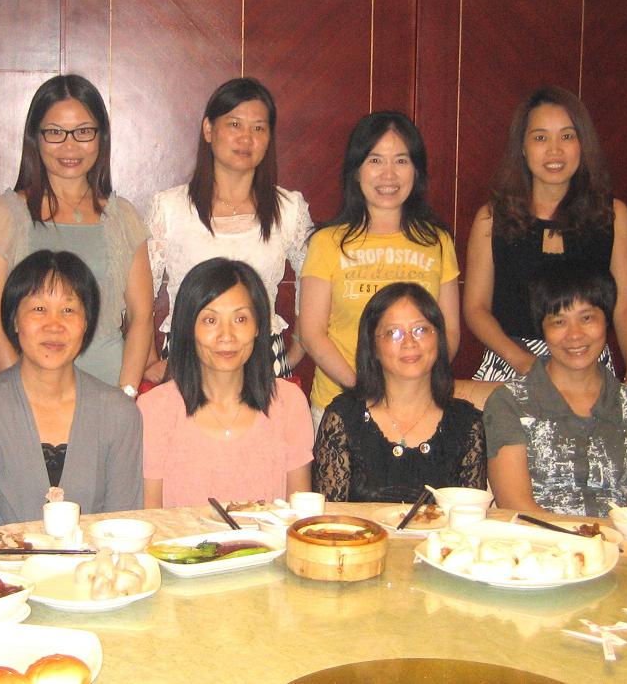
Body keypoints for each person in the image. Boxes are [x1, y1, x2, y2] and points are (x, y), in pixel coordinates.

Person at [464, 86, 627, 400]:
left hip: (585, 361)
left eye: (567, 136)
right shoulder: (491, 219)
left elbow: (626, 305)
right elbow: (476, 309)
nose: (555, 150)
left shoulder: (612, 215)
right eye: (541, 138)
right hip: (511, 362)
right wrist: (526, 364)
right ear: (522, 147)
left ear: (582, 144)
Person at [0, 75, 151, 394]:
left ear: (101, 136)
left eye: (83, 132)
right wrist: (25, 396)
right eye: (55, 132)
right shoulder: (5, 215)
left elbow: (141, 318)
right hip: (31, 391)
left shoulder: (122, 217)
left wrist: (125, 394)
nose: (70, 146)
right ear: (36, 137)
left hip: (108, 387)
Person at [0, 250, 143, 532]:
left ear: (86, 323)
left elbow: (122, 533)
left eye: (68, 310)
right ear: (15, 320)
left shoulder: (119, 413)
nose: (54, 325)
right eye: (39, 309)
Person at [299, 111, 460, 429]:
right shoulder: (327, 242)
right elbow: (312, 333)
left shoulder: (437, 242)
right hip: (342, 405)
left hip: (417, 406)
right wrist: (364, 390)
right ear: (356, 171)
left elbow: (449, 331)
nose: (389, 174)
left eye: (401, 161)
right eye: (375, 160)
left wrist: (411, 389)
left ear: (416, 170)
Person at [146, 77, 312, 382]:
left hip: (263, 365)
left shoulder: (290, 208)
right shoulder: (169, 207)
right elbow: (141, 296)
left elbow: (312, 286)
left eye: (258, 128)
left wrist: (296, 351)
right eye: (235, 124)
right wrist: (150, 361)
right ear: (209, 129)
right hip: (186, 363)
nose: (246, 138)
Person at [483, 264, 627, 516]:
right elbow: (516, 506)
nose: (575, 335)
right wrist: (581, 537)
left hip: (617, 539)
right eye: (559, 321)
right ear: (543, 329)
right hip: (536, 538)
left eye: (587, 318)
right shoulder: (510, 403)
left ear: (606, 321)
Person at [140, 258, 313, 508]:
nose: (226, 336)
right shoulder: (155, 409)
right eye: (210, 320)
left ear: (258, 326)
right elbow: (151, 518)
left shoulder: (288, 402)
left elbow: (300, 515)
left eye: (240, 319)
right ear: (188, 327)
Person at [313, 283, 485, 503]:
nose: (409, 342)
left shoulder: (467, 424)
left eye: (421, 330)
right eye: (393, 332)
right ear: (372, 345)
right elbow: (330, 519)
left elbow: (470, 518)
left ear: (439, 338)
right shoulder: (343, 418)